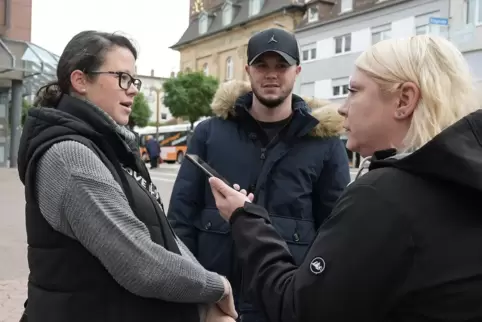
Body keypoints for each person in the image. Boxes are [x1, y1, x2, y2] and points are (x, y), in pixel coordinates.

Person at [207, 35, 482, 321]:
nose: (342, 107)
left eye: (353, 90)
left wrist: (244, 218)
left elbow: (300, 308)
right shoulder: (461, 181)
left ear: (404, 100)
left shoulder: (384, 196)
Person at [16, 30, 237, 322]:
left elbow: (163, 237)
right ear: (80, 80)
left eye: (133, 80)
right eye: (122, 78)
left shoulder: (110, 147)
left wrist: (203, 298)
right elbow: (139, 262)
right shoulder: (71, 156)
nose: (132, 89)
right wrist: (215, 287)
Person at [167, 28, 350, 322]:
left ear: (297, 71)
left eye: (281, 66)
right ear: (247, 69)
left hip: (283, 309)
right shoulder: (209, 134)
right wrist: (193, 298)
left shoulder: (325, 145)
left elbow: (336, 237)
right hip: (215, 307)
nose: (271, 75)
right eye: (262, 65)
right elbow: (179, 222)